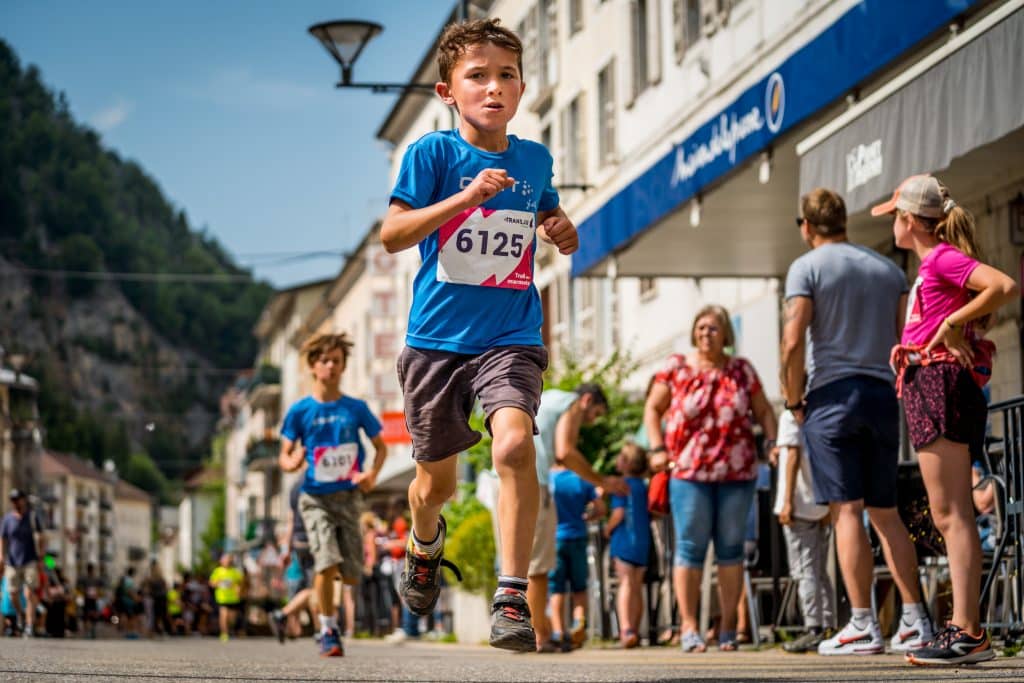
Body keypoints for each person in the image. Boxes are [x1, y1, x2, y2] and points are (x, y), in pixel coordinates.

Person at [380, 18, 579, 653]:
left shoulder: (534, 158)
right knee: (434, 485)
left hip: (511, 333)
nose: (494, 88)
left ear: (521, 88)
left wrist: (559, 223)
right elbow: (393, 234)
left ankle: (512, 597)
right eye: (478, 77)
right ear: (448, 92)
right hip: (436, 341)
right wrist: (464, 199)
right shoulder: (432, 155)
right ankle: (424, 540)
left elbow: (542, 206)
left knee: (515, 445)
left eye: (506, 76)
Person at [782, 187, 932, 656]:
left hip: (832, 397)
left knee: (846, 511)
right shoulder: (887, 269)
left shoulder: (806, 267)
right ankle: (915, 620)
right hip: (883, 395)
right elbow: (906, 333)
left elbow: (792, 339)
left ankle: (863, 624)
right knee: (885, 513)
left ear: (806, 227)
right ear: (843, 221)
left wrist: (792, 399)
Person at [878, 175, 1017, 666]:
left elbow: (1002, 285)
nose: (893, 223)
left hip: (938, 384)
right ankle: (965, 630)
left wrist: (952, 323)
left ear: (912, 221)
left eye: (896, 215)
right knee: (949, 512)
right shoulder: (932, 264)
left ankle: (967, 631)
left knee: (951, 514)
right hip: (930, 384)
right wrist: (949, 322)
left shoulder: (939, 257)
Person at [645, 305, 777, 653]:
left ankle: (728, 628)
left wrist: (773, 442)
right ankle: (689, 627)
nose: (707, 334)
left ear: (726, 335)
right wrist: (657, 448)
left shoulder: (741, 370)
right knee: (690, 548)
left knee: (731, 550)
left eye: (714, 328)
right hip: (689, 471)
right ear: (694, 333)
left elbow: (764, 410)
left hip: (737, 471)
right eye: (701, 328)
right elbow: (652, 408)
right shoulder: (676, 367)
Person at [278, 332, 388, 657]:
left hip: (350, 497)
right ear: (313, 366)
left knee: (352, 574)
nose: (331, 367)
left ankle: (327, 600)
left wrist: (372, 475)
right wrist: (292, 461)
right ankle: (328, 628)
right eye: (325, 361)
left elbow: (381, 447)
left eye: (337, 361)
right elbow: (283, 456)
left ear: (343, 366)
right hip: (314, 498)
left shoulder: (355, 408)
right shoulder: (300, 411)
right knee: (326, 562)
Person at [524, 384, 626, 651]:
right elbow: (565, 452)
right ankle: (540, 636)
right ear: (587, 400)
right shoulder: (570, 403)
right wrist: (603, 481)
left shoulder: (547, 397)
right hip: (535, 481)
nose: (592, 421)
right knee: (540, 566)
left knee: (522, 564)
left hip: (511, 476)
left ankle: (538, 630)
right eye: (595, 413)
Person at [770, 409, 835, 653]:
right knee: (819, 570)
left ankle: (813, 628)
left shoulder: (789, 416)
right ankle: (828, 624)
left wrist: (787, 500)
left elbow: (794, 455)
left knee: (804, 570)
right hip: (820, 502)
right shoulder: (819, 410)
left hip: (799, 503)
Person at [546, 462, 604, 652]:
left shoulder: (548, 479)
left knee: (557, 589)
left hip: (555, 538)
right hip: (578, 537)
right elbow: (600, 508)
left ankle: (558, 631)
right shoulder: (582, 478)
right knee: (580, 587)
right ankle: (579, 621)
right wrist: (588, 518)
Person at [604, 443, 650, 649]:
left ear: (628, 463)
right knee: (637, 586)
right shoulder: (643, 486)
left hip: (624, 540)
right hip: (642, 541)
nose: (617, 461)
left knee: (625, 583)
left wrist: (608, 528)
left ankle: (626, 629)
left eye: (620, 457)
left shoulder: (621, 486)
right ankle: (636, 630)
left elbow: (618, 514)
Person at [271, 480, 318, 643]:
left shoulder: (294, 486)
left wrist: (288, 549)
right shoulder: (317, 480)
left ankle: (321, 630)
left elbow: (291, 520)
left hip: (299, 541)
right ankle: (284, 614)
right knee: (317, 589)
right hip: (314, 540)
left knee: (316, 588)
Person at [1, 489, 43, 638]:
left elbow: (40, 537)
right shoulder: (7, 519)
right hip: (12, 561)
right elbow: (3, 539)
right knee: (12, 593)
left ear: (24, 500)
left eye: (18, 499)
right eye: (13, 500)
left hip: (30, 560)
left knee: (29, 592)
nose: (15, 502)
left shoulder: (32, 517)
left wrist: (41, 557)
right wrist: (1, 556)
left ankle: (30, 625)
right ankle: (20, 614)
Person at [209, 553, 243, 642]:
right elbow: (211, 583)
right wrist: (218, 582)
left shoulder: (235, 572)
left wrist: (238, 589)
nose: (227, 561)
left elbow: (241, 583)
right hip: (222, 597)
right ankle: (224, 633)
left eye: (229, 560)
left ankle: (229, 629)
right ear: (221, 561)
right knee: (223, 615)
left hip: (233, 598)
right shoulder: (218, 571)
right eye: (225, 559)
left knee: (232, 618)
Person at [144, 560, 170, 637]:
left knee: (156, 616)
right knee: (160, 616)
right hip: (161, 598)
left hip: (156, 598)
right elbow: (166, 588)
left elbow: (147, 590)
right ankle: (158, 631)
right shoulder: (160, 578)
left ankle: (155, 632)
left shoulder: (151, 579)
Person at [79, 562, 104, 639]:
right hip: (89, 599)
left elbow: (100, 588)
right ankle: (89, 632)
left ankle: (90, 631)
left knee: (90, 615)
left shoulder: (93, 579)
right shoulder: (88, 579)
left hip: (91, 599)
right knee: (88, 615)